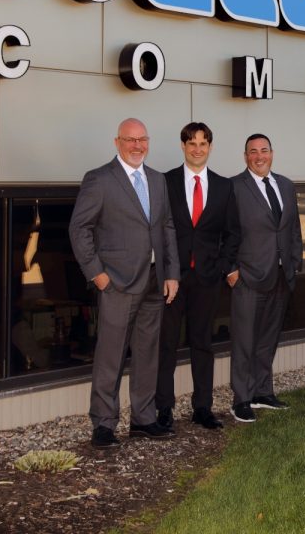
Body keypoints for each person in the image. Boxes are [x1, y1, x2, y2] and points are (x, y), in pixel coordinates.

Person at [69, 118, 179, 447]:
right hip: (116, 283)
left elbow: (168, 228)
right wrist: (98, 274)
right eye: (130, 140)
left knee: (147, 354)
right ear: (117, 142)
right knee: (111, 355)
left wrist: (172, 273)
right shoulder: (100, 179)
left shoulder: (158, 180)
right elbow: (79, 229)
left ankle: (143, 419)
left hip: (154, 282)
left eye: (142, 139)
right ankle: (103, 423)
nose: (137, 146)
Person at [156, 122, 240, 431]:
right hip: (171, 278)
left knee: (202, 343)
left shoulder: (223, 186)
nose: (197, 148)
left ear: (211, 147)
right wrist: (166, 269)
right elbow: (158, 230)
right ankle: (163, 408)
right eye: (191, 143)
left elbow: (233, 232)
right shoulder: (165, 182)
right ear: (182, 146)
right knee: (166, 344)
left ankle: (202, 408)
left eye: (203, 143)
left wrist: (222, 265)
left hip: (207, 277)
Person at [227, 134, 303, 423]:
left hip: (281, 275)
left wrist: (294, 263)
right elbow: (225, 232)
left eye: (264, 150)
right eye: (253, 152)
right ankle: (241, 399)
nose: (259, 156)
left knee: (268, 339)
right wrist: (232, 269)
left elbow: (292, 228)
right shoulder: (234, 187)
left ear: (272, 153)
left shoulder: (285, 185)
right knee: (244, 341)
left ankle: (262, 392)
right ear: (245, 156)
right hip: (248, 276)